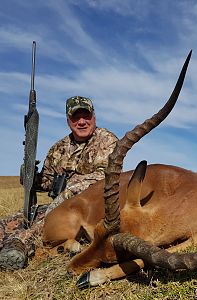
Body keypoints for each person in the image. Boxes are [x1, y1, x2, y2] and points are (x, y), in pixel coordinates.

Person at [0, 96, 118, 270]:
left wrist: (69, 190)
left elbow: (102, 178)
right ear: (68, 121)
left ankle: (23, 243)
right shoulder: (59, 147)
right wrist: (30, 176)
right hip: (60, 207)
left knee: (56, 207)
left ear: (94, 117)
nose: (82, 122)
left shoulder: (107, 140)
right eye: (76, 118)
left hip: (91, 209)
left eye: (86, 116)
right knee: (13, 220)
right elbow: (47, 181)